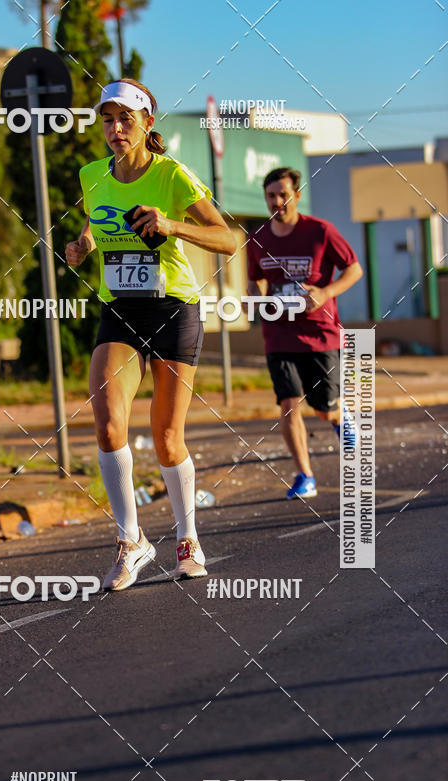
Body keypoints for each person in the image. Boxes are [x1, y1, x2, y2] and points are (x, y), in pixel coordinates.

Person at [65, 78, 236, 590]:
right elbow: (100, 221)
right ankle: (130, 541)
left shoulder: (172, 176)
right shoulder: (91, 174)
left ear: (147, 124)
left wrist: (173, 226)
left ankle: (187, 539)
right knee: (108, 422)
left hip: (173, 307)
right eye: (107, 119)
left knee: (165, 437)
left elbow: (230, 238)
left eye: (126, 120)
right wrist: (83, 245)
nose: (116, 129)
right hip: (120, 308)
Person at [246, 167, 363, 499]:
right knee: (288, 403)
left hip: (320, 333)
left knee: (323, 406)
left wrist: (326, 293)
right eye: (271, 195)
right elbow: (255, 280)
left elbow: (354, 269)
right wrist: (251, 298)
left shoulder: (321, 231)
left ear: (296, 196)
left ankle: (339, 418)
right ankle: (304, 476)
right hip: (279, 334)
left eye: (283, 194)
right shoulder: (258, 238)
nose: (277, 201)